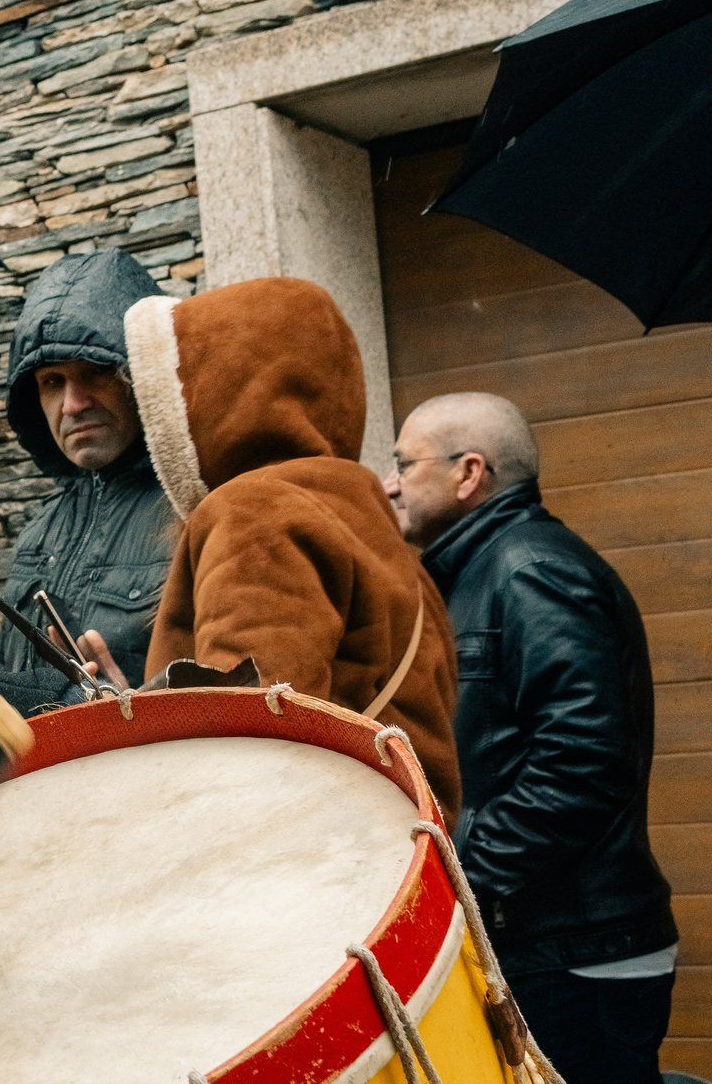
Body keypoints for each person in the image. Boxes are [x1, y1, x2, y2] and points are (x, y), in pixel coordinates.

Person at [387, 391, 712, 1084]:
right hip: (587, 945)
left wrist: (465, 885)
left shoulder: (527, 571)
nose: (390, 481)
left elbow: (581, 763)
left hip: (570, 956)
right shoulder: (485, 572)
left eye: (405, 462)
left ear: (468, 474)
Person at [119, 274, 461, 811]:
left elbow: (250, 747)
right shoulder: (362, 512)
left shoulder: (254, 513)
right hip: (394, 850)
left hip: (313, 871)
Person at [0, 249, 176, 703]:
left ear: (144, 374)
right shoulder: (37, 534)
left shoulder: (196, 513)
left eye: (96, 372)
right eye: (52, 381)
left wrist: (144, 712)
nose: (72, 404)